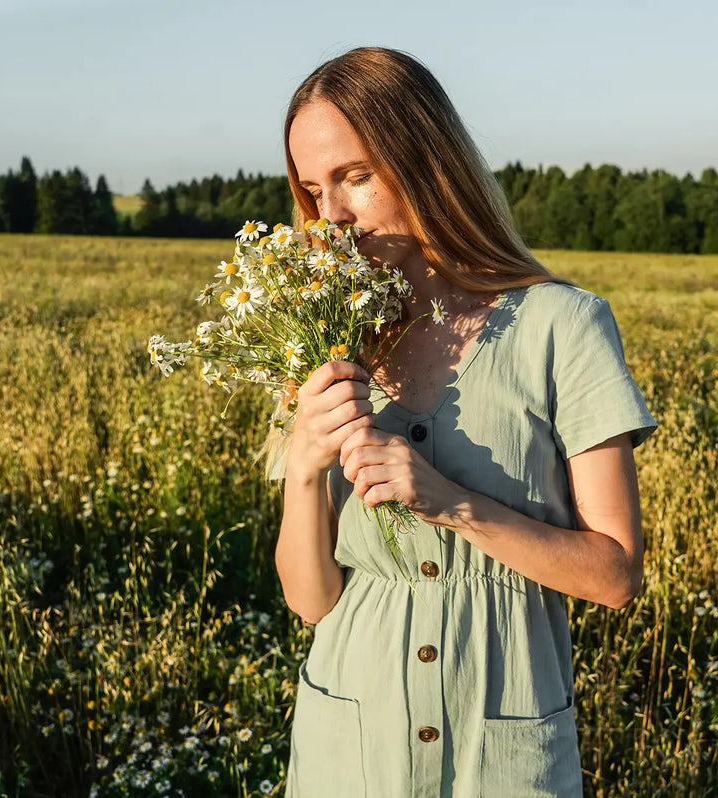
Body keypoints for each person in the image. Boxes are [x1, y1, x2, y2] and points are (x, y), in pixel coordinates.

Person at [272, 46, 658, 798]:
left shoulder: (561, 325)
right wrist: (304, 467)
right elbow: (312, 603)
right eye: (314, 191)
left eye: (356, 176)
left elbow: (616, 576)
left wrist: (450, 502)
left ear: (427, 161)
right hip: (347, 754)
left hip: (502, 760)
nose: (333, 216)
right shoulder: (321, 335)